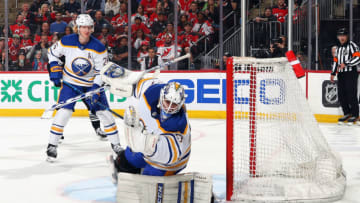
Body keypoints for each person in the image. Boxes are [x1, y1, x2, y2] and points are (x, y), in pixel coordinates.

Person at [46, 14, 121, 162]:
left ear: (92, 28)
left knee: (105, 114)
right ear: (77, 28)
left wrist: (95, 87)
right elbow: (51, 53)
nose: (86, 30)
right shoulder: (66, 41)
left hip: (91, 85)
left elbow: (102, 71)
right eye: (83, 27)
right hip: (71, 83)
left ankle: (117, 145)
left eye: (88, 27)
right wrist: (54, 67)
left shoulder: (99, 47)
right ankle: (52, 145)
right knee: (64, 112)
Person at [108, 79, 190, 180]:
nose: (169, 107)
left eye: (174, 104)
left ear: (181, 104)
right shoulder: (152, 93)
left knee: (148, 183)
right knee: (126, 159)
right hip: (149, 149)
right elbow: (142, 84)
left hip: (169, 162)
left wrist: (140, 138)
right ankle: (126, 170)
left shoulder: (178, 126)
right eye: (168, 101)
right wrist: (127, 84)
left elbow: (170, 158)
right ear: (162, 96)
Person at [330, 28, 360, 124]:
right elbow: (336, 61)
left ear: (347, 36)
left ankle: (355, 114)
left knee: (351, 93)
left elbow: (358, 58)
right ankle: (347, 113)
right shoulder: (338, 48)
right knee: (341, 95)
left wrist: (346, 63)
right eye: (340, 36)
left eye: (343, 36)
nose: (342, 38)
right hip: (341, 74)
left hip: (351, 73)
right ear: (338, 37)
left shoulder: (352, 46)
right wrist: (333, 73)